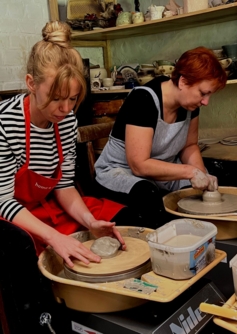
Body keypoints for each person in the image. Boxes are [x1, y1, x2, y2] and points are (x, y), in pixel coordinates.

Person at [0, 20, 139, 333]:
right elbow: (4, 201)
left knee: (113, 222)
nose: (65, 109)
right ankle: (43, 324)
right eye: (55, 98)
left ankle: (94, 317)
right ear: (31, 83)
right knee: (24, 245)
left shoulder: (64, 120)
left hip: (43, 201)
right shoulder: (6, 123)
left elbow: (62, 185)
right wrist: (54, 238)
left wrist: (90, 223)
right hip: (7, 209)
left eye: (73, 99)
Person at [94, 46, 228, 229]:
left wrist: (202, 175)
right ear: (183, 82)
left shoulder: (190, 105)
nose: (206, 102)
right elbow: (139, 165)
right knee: (148, 195)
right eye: (203, 93)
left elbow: (189, 146)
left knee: (203, 188)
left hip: (161, 172)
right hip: (122, 171)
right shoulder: (143, 100)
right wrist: (190, 172)